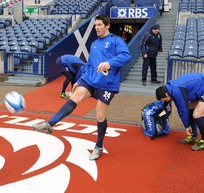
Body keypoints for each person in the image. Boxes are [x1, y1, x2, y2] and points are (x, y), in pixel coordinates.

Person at [32, 15, 131, 160]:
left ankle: (99, 146)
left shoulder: (116, 41)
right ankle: (50, 123)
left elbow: (126, 56)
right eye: (95, 25)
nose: (96, 28)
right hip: (90, 80)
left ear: (107, 26)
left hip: (107, 84)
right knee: (75, 95)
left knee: (100, 114)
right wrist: (80, 81)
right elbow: (89, 66)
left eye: (99, 25)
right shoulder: (94, 44)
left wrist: (109, 63)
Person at [155, 73, 204, 151]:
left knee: (197, 114)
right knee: (190, 107)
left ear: (166, 94)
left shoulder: (176, 90)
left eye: (164, 99)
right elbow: (183, 108)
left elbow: (182, 109)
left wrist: (187, 126)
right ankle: (194, 136)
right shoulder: (171, 88)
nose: (165, 101)